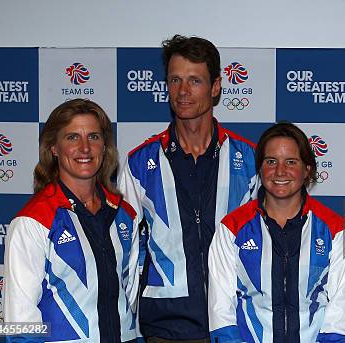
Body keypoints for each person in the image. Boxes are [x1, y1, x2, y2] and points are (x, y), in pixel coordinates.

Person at [118, 35, 258, 342]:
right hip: (165, 327)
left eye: (194, 80)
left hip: (235, 322)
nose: (183, 91)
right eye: (175, 80)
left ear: (216, 87)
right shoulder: (139, 163)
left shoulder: (250, 160)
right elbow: (124, 252)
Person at [208, 122, 345, 342]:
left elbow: (344, 309)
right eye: (271, 162)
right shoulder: (231, 229)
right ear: (260, 167)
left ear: (307, 169)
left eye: (291, 162)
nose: (280, 171)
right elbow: (221, 311)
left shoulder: (335, 230)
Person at [3, 99, 139, 342]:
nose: (85, 148)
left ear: (105, 146)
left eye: (94, 137)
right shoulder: (33, 221)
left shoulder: (125, 216)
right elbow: (19, 323)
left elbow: (129, 298)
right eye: (73, 137)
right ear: (54, 148)